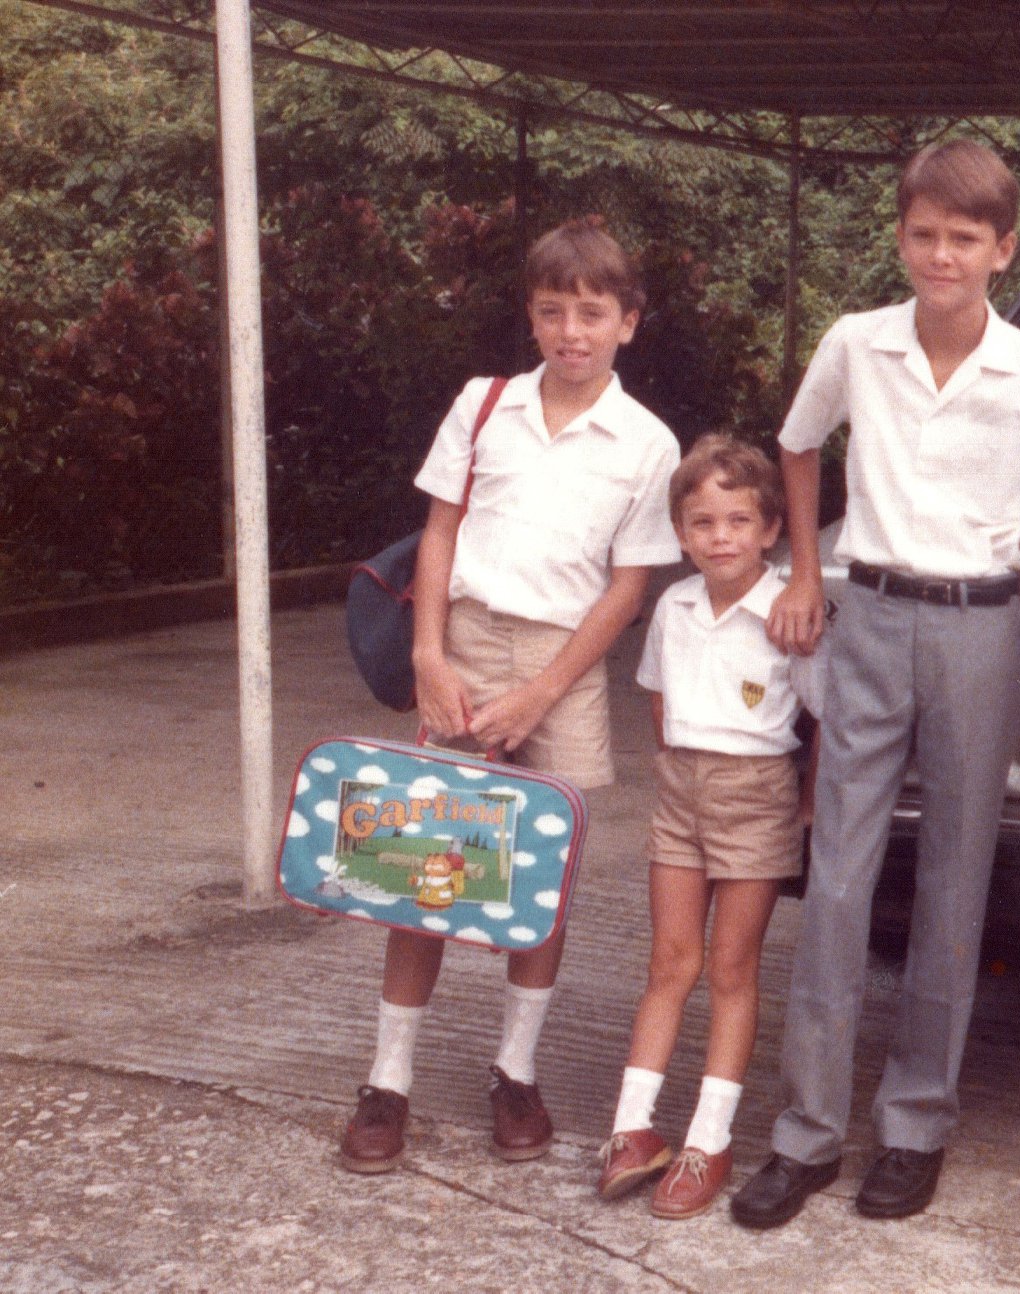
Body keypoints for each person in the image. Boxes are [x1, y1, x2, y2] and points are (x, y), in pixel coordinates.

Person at [729, 139, 1020, 1230]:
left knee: (954, 881)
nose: (943, 254)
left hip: (979, 626)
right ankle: (805, 1134)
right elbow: (796, 446)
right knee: (837, 875)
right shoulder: (856, 342)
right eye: (925, 234)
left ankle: (917, 1122)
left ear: (1003, 248)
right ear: (901, 238)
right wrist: (801, 567)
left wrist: (1003, 615)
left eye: (965, 238)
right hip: (868, 613)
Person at [337, 219, 681, 1174]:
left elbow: (628, 586)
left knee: (540, 878)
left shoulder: (648, 442)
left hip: (564, 667)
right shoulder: (485, 404)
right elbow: (439, 530)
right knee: (423, 861)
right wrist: (429, 655)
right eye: (553, 310)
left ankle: (515, 1071)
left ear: (629, 324)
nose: (573, 330)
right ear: (530, 317)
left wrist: (545, 693)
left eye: (593, 312)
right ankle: (388, 1080)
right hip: (467, 642)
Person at [597, 435, 823, 1220]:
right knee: (670, 959)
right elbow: (659, 702)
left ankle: (710, 1136)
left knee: (732, 965)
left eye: (738, 520)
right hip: (681, 789)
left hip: (758, 791)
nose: (720, 536)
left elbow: (823, 718)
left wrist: (806, 801)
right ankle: (632, 1128)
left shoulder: (790, 609)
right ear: (682, 533)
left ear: (769, 530)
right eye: (702, 523)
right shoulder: (673, 606)